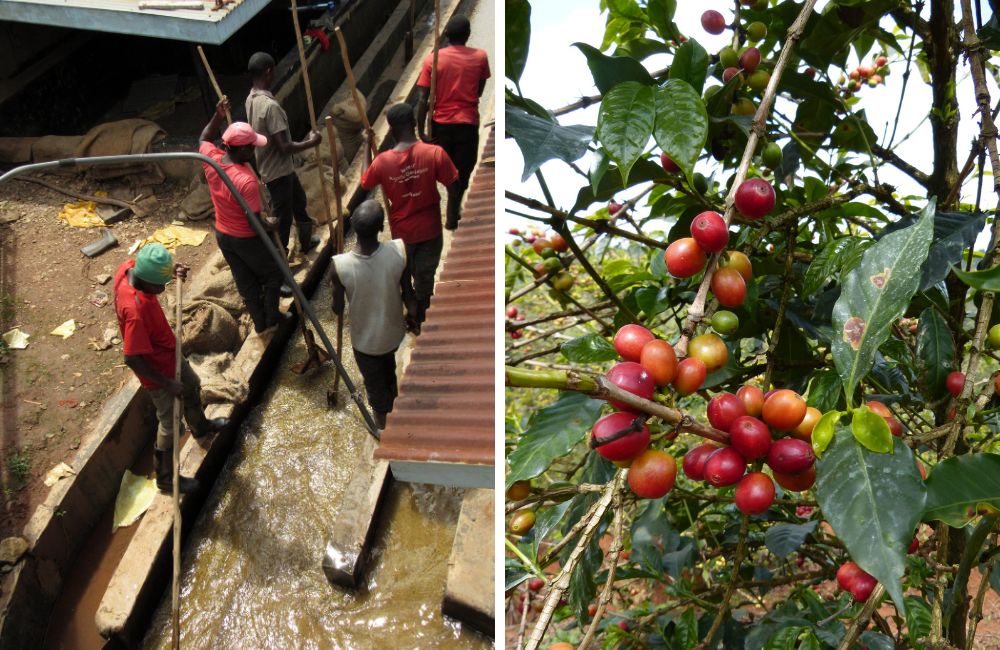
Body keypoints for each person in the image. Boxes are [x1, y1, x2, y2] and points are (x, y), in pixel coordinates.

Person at [114, 243, 229, 494]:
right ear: (145, 281)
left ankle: (201, 428)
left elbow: (148, 270)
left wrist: (171, 271)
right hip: (158, 372)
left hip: (170, 355)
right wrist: (166, 383)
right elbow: (132, 358)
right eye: (160, 285)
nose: (163, 289)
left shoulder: (129, 269)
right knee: (169, 424)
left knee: (193, 386)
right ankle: (166, 480)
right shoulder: (135, 310)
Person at [360, 103, 459, 328]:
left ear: (392, 130)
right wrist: (451, 218)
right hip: (431, 230)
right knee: (425, 278)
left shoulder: (382, 161)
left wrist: (367, 145)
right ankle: (422, 315)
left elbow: (365, 180)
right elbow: (454, 187)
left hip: (402, 232)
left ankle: (412, 306)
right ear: (414, 124)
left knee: (405, 274)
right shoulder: (435, 153)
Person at [199, 97, 287, 335]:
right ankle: (272, 320)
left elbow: (204, 138)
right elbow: (254, 222)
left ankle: (260, 324)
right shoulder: (245, 180)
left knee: (246, 283)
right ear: (244, 149)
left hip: (223, 234)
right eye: (251, 146)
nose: (254, 149)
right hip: (244, 237)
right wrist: (271, 225)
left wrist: (218, 116)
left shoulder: (211, 160)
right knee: (273, 273)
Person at [329, 200, 416, 429]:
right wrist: (414, 319)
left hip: (365, 343)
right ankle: (395, 409)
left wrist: (337, 289)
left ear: (353, 228)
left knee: (376, 391)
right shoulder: (398, 250)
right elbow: (409, 295)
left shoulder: (339, 265)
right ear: (381, 228)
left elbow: (336, 309)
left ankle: (384, 429)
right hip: (393, 335)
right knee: (388, 373)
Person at [416, 14, 490, 230]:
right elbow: (479, 90)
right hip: (467, 124)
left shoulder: (433, 59)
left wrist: (421, 131)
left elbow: (423, 99)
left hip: (442, 125)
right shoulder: (480, 56)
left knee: (448, 173)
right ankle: (452, 213)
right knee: (463, 171)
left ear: (446, 34)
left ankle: (451, 209)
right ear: (468, 35)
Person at [245, 51, 322, 257]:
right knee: (283, 219)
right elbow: (284, 147)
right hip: (277, 171)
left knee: (299, 201)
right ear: (269, 72)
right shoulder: (270, 106)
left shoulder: (250, 98)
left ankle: (305, 241)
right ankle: (280, 266)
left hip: (280, 168)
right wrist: (310, 142)